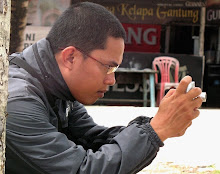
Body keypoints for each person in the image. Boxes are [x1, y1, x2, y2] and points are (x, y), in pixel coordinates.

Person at [6, 2, 203, 174]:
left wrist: (157, 125)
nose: (112, 80)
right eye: (108, 67)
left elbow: (94, 138)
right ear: (70, 57)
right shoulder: (18, 102)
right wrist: (156, 130)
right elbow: (82, 169)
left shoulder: (56, 87)